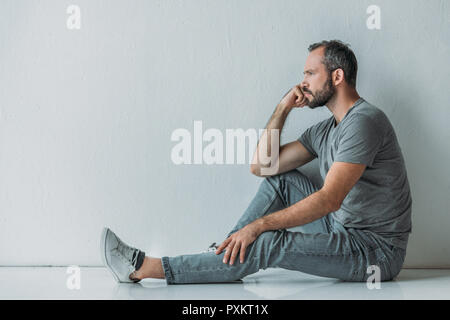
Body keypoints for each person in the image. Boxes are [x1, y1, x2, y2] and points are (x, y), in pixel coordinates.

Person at [100, 40, 412, 284]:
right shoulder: (326, 129)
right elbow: (262, 167)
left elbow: (330, 199)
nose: (302, 82)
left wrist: (257, 226)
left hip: (375, 251)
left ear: (337, 76)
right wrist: (284, 106)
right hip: (342, 226)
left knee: (266, 242)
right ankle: (224, 257)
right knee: (281, 180)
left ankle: (143, 268)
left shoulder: (364, 121)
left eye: (310, 73)